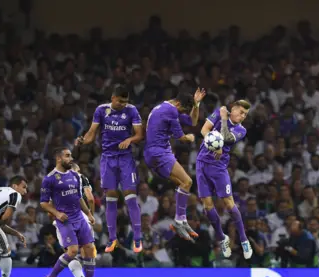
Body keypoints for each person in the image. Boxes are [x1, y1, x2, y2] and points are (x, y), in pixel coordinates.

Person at [76, 85, 145, 253]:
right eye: (120, 101)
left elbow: (139, 134)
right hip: (107, 159)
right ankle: (112, 239)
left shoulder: (132, 110)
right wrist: (83, 141)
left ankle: (137, 238)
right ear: (113, 98)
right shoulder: (101, 110)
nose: (123, 104)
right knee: (111, 198)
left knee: (130, 196)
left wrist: (130, 140)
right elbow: (92, 133)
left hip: (125, 159)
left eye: (126, 101)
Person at [143, 89, 206, 241]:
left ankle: (181, 220)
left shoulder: (165, 108)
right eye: (183, 109)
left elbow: (193, 121)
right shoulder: (171, 110)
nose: (182, 113)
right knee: (188, 181)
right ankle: (179, 221)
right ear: (178, 103)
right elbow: (182, 138)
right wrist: (190, 138)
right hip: (160, 152)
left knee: (182, 185)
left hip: (151, 155)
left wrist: (196, 104)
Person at [197, 101, 253, 259]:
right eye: (241, 112)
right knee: (207, 206)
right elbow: (204, 129)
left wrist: (222, 120)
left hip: (219, 167)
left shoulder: (241, 129)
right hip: (202, 163)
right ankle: (222, 238)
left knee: (229, 203)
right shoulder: (218, 112)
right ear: (233, 108)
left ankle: (243, 239)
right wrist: (214, 144)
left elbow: (227, 136)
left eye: (245, 115)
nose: (242, 116)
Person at [40, 147, 99, 277]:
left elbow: (79, 198)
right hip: (65, 220)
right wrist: (56, 213)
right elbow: (43, 203)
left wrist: (89, 214)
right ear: (58, 158)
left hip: (79, 217)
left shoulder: (75, 176)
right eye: (67, 156)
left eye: (70, 156)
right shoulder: (50, 178)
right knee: (73, 251)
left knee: (90, 249)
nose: (70, 158)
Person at [51, 163, 95, 277]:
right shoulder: (82, 178)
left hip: (65, 218)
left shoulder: (56, 180)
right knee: (88, 250)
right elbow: (90, 198)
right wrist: (90, 215)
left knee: (71, 252)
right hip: (83, 217)